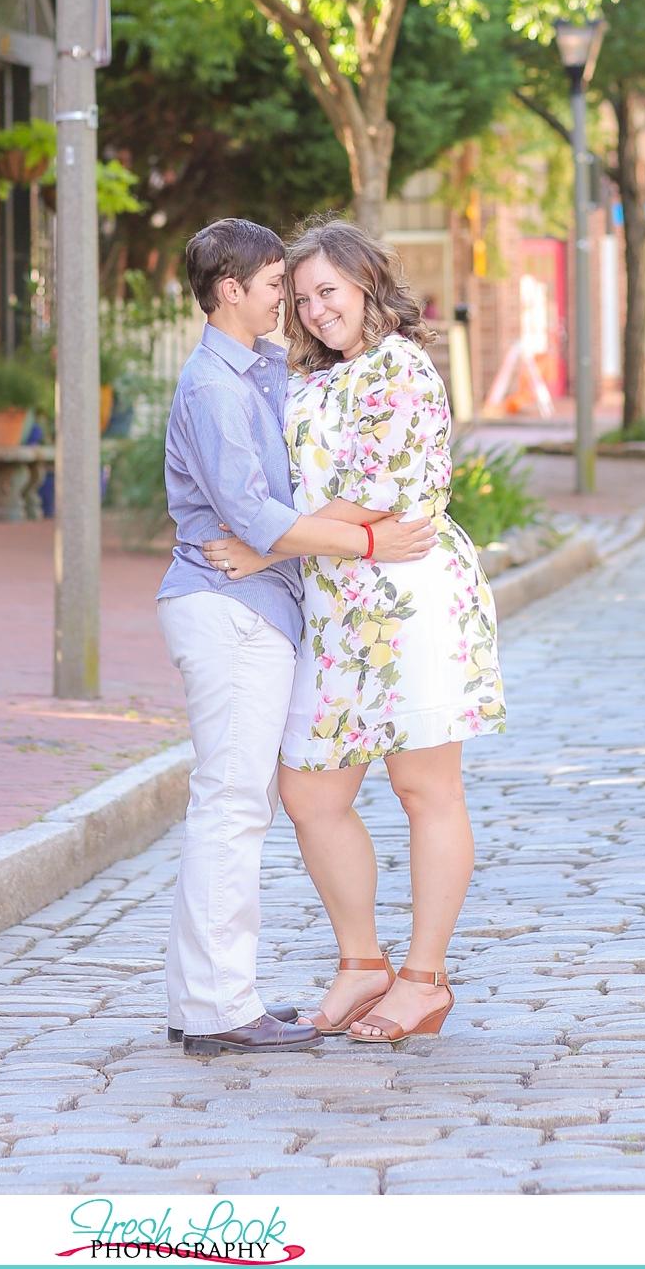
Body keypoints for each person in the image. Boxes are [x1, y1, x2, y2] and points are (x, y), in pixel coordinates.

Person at [204, 218, 505, 1044]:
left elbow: (378, 490)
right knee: (309, 791)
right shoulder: (308, 380)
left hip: (406, 597)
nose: (314, 310)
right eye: (300, 299)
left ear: (367, 282)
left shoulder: (399, 367)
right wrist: (276, 541)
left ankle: (424, 979)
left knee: (423, 788)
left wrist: (268, 546)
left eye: (326, 291)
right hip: (335, 607)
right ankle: (362, 963)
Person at [159, 218, 436, 1057]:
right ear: (233, 291)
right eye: (281, 286)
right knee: (234, 808)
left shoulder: (267, 372)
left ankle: (200, 999)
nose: (293, 303)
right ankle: (220, 1009)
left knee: (232, 803)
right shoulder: (215, 384)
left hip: (259, 604)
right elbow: (251, 516)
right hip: (232, 605)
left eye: (309, 288)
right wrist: (369, 541)